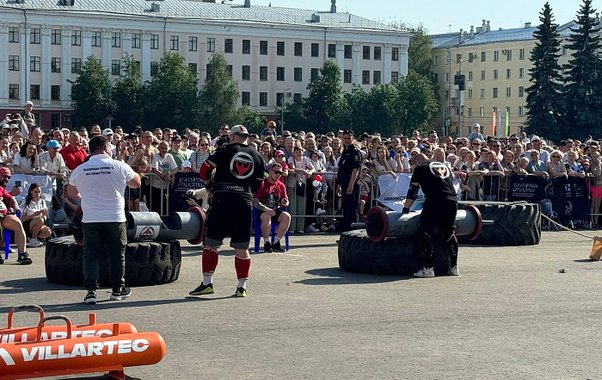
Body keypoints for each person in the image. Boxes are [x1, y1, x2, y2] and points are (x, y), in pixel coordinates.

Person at [189, 125, 266, 298]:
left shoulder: (224, 150)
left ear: (231, 137)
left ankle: (207, 283)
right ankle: (241, 287)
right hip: (244, 201)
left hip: (222, 198)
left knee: (211, 243)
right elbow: (260, 184)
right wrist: (247, 192)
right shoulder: (257, 155)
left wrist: (209, 186)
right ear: (246, 137)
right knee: (241, 246)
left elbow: (204, 170)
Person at [69, 135, 141, 305]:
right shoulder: (119, 165)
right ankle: (117, 289)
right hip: (115, 217)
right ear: (107, 148)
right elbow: (136, 183)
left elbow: (71, 193)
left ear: (90, 150)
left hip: (91, 217)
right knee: (117, 254)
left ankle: (91, 291)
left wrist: (84, 196)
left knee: (90, 255)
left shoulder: (80, 169)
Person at [402, 153, 460, 278]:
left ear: (417, 162)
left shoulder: (420, 168)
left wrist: (406, 208)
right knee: (449, 231)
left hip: (435, 201)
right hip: (452, 200)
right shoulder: (443, 166)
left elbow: (413, 190)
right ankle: (454, 267)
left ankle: (428, 268)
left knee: (425, 231)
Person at [253, 163, 291, 253]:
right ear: (270, 171)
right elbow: (255, 201)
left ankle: (276, 242)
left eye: (280, 173)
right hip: (262, 211)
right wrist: (266, 209)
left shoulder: (281, 185)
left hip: (275, 211)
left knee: (287, 216)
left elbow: (286, 200)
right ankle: (267, 242)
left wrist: (285, 202)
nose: (278, 175)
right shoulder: (262, 183)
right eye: (276, 172)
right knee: (267, 216)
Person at [0, 167, 31, 265]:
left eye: (8, 177)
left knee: (17, 223)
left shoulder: (1, 189)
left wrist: (16, 207)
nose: (7, 179)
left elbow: (10, 198)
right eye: (4, 176)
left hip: (3, 215)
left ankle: (22, 254)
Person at [336, 129, 361, 233]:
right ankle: (346, 233)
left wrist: (351, 185)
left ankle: (354, 233)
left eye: (349, 138)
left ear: (352, 139)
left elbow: (356, 170)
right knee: (346, 209)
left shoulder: (355, 152)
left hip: (352, 185)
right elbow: (341, 169)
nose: (346, 140)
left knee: (352, 209)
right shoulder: (344, 152)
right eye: (345, 138)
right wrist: (339, 184)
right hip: (344, 184)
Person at [20, 183, 52, 248]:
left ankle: (32, 238)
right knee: (39, 220)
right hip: (27, 224)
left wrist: (43, 214)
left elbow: (45, 218)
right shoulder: (26, 202)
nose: (37, 194)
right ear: (31, 191)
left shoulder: (42, 202)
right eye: (35, 192)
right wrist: (34, 215)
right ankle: (33, 238)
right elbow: (22, 219)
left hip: (39, 223)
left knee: (48, 231)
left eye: (39, 192)